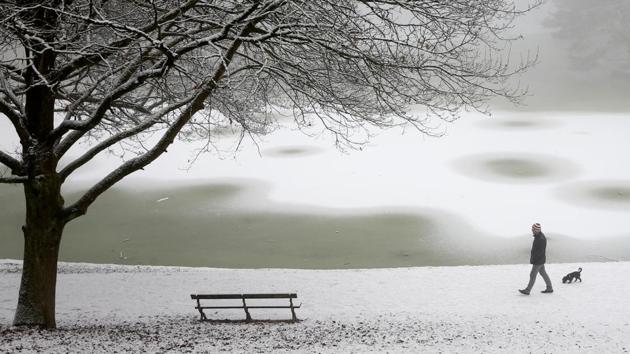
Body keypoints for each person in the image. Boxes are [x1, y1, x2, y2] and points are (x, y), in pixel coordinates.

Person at [519, 223, 553, 295]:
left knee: (532, 275)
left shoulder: (540, 239)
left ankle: (527, 290)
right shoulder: (538, 236)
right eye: (532, 229)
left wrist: (534, 260)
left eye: (533, 229)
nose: (532, 230)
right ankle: (549, 288)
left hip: (538, 260)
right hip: (540, 259)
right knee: (543, 273)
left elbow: (539, 252)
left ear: (537, 230)